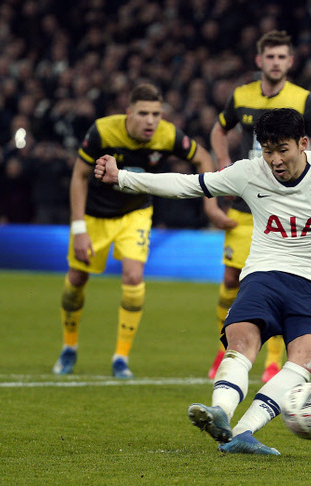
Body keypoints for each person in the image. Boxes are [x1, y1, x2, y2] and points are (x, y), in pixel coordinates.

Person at [94, 108, 311, 455]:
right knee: (241, 340)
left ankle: (243, 433)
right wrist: (123, 178)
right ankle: (220, 410)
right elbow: (188, 185)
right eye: (267, 150)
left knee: (307, 356)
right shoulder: (249, 172)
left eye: (282, 149)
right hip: (263, 274)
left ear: (303, 143)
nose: (275, 159)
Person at [52, 83, 229, 379]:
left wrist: (211, 206)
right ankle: (69, 347)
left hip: (135, 212)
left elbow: (202, 159)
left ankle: (121, 357)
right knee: (76, 278)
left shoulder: (168, 135)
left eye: (156, 114)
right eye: (144, 113)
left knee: (134, 276)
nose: (151, 121)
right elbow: (80, 176)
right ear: (129, 113)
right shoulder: (103, 132)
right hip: (95, 214)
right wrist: (79, 228)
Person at [209, 30, 311, 383]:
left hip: (287, 205)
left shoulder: (304, 100)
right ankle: (225, 349)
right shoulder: (240, 96)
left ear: (290, 62)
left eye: (282, 57)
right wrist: (222, 162)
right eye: (270, 57)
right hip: (246, 204)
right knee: (232, 278)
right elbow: (219, 130)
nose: (276, 63)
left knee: (278, 282)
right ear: (259, 61)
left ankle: (273, 361)